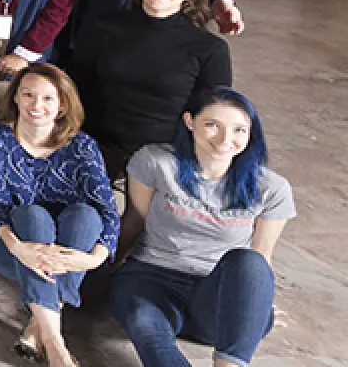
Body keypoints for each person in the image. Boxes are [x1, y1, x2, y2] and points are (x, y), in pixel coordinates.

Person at [112, 87, 293, 367]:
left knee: (248, 260)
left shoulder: (272, 188)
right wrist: (97, 275)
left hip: (215, 292)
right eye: (212, 125)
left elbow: (262, 257)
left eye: (239, 130)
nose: (225, 140)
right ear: (189, 121)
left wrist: (255, 301)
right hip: (150, 279)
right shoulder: (155, 162)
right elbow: (134, 221)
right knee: (145, 326)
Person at [0, 64, 118, 367]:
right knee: (33, 215)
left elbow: (108, 212)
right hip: (7, 243)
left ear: (63, 104)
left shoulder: (82, 146)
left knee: (86, 216)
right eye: (27, 95)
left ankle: (38, 328)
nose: (36, 106)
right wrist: (19, 248)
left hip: (70, 249)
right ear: (15, 98)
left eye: (47, 98)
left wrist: (93, 259)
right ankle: (57, 347)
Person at [79, 0, 232, 172]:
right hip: (99, 147)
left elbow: (212, 112)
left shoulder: (210, 48)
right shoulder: (102, 29)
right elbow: (80, 90)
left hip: (167, 155)